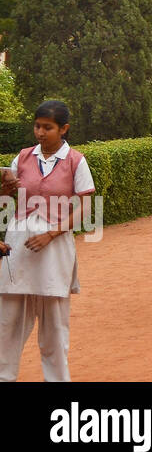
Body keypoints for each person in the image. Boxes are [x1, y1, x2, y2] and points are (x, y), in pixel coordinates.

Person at [0, 100, 96, 381]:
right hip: (18, 242)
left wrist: (52, 233)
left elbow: (86, 207)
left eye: (48, 127)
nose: (40, 133)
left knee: (54, 322)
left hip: (55, 246)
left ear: (64, 129)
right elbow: (6, 201)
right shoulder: (23, 157)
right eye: (37, 126)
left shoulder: (76, 160)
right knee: (8, 319)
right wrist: (4, 189)